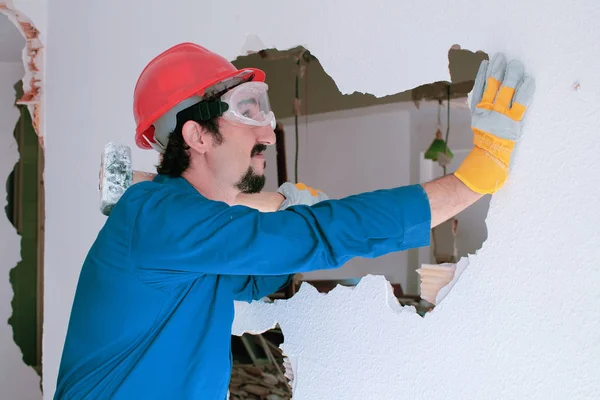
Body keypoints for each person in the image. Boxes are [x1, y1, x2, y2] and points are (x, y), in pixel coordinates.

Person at [54, 43, 535, 399]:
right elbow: (308, 238)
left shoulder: (189, 232)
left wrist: (296, 226)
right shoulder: (155, 215)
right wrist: (472, 180)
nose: (268, 129)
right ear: (197, 135)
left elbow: (261, 272)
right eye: (248, 110)